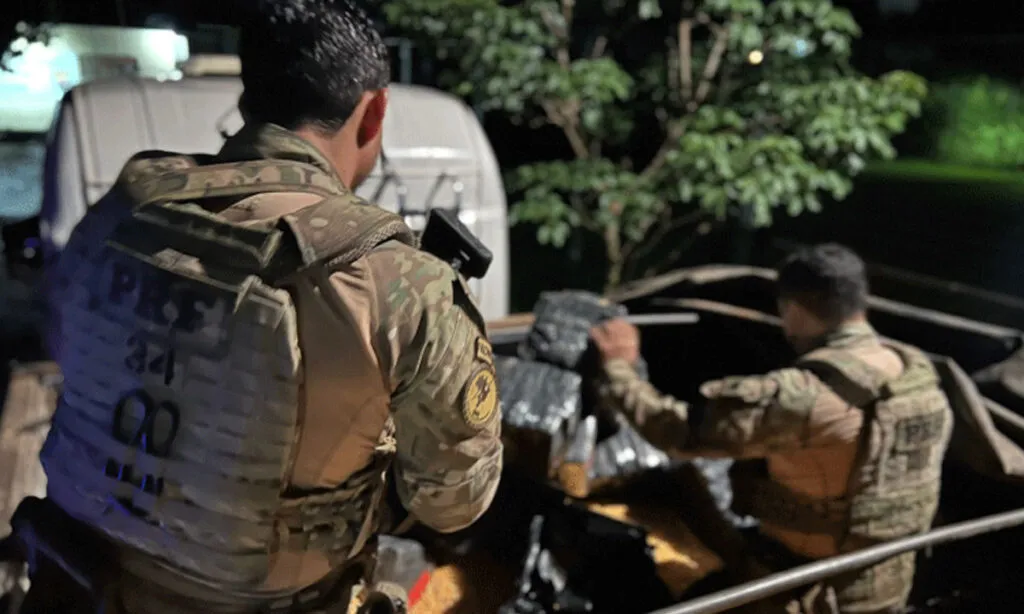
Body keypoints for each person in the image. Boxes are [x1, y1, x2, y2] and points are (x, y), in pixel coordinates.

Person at [36, 1, 502, 612]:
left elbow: (67, 348)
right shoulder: (403, 284)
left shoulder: (125, 211)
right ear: (374, 112)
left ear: (251, 95)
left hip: (74, 582)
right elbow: (452, 502)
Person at [589, 243, 953, 614]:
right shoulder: (916, 372)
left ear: (792, 307)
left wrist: (620, 368)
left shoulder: (806, 396)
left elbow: (677, 433)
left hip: (808, 593)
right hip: (888, 584)